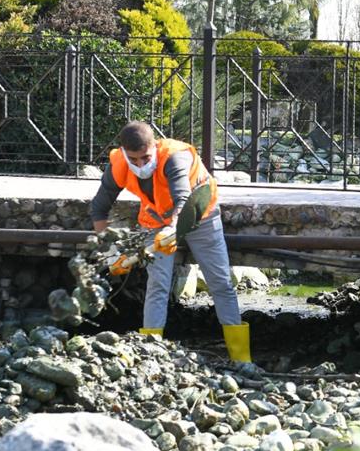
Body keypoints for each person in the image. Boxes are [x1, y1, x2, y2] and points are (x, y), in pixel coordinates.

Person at [89, 121, 251, 363]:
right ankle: (150, 354)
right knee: (157, 285)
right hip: (154, 220)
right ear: (124, 152)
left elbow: (183, 199)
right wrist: (109, 253)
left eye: (145, 158)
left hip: (199, 215)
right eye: (134, 160)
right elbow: (99, 208)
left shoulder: (175, 158)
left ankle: (241, 358)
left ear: (154, 146)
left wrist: (173, 230)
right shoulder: (119, 165)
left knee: (221, 283)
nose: (140, 165)